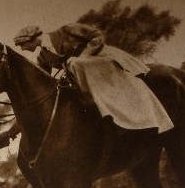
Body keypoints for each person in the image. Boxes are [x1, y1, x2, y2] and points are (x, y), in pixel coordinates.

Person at [13, 23, 174, 138]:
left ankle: (92, 102)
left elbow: (97, 35)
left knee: (74, 63)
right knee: (72, 68)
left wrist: (83, 58)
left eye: (22, 45)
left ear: (30, 39)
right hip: (86, 75)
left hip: (104, 60)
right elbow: (42, 78)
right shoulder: (43, 57)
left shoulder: (66, 30)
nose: (23, 49)